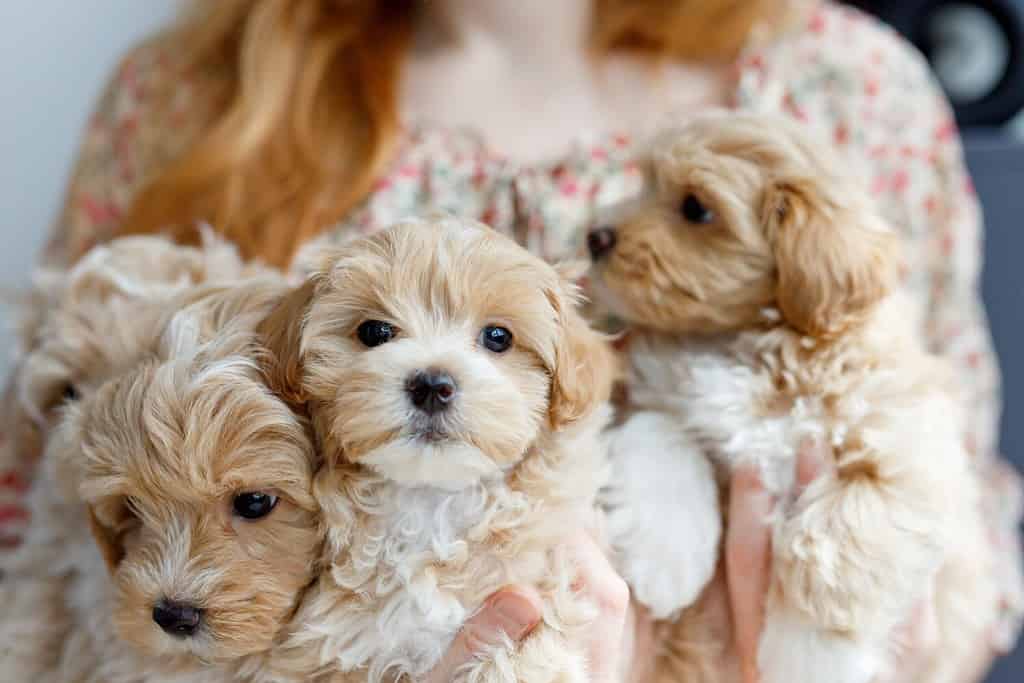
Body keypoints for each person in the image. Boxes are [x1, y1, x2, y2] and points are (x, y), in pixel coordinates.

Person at [2, 0, 1021, 680]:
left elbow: (958, 492)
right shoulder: (187, 93)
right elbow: (36, 501)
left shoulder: (849, 85)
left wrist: (885, 628)